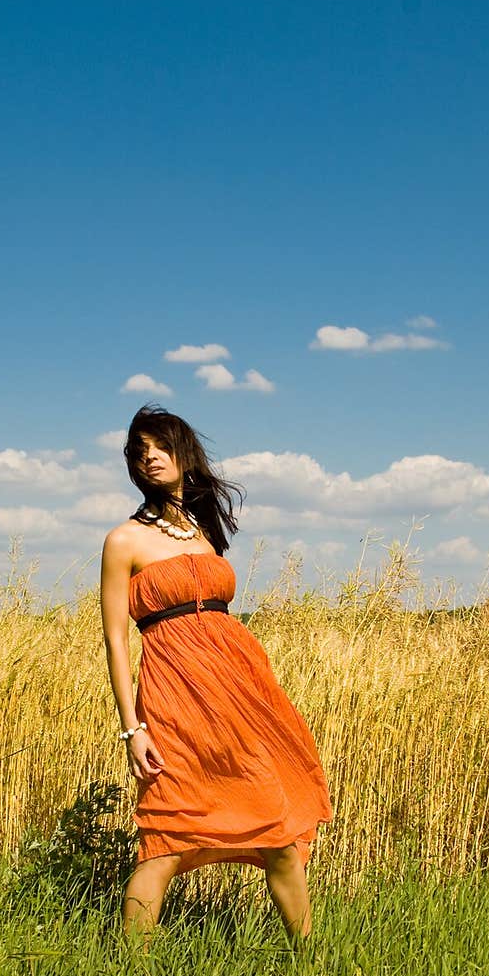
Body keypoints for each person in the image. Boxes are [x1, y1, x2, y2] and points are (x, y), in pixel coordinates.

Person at [100, 403, 333, 946]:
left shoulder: (204, 530)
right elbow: (115, 638)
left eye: (160, 446)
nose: (150, 457)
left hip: (238, 686)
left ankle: (313, 961)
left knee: (276, 826)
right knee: (166, 838)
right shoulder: (124, 540)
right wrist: (133, 729)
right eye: (140, 451)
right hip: (174, 690)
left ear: (183, 452)